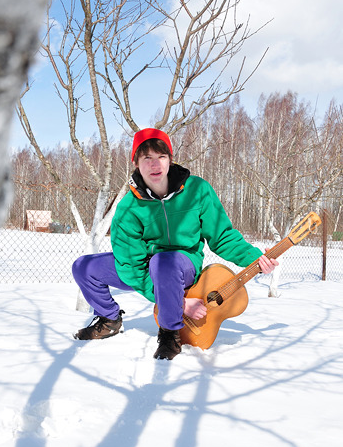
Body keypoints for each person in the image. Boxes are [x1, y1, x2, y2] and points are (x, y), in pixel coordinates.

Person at [72, 128, 278, 360]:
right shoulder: (129, 208)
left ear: (170, 160)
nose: (155, 164)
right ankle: (109, 319)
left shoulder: (198, 191)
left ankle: (170, 332)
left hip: (182, 264)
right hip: (145, 268)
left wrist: (254, 258)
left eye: (161, 157)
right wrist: (179, 302)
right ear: (136, 163)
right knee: (84, 267)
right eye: (147, 158)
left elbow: (222, 236)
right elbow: (131, 267)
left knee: (164, 261)